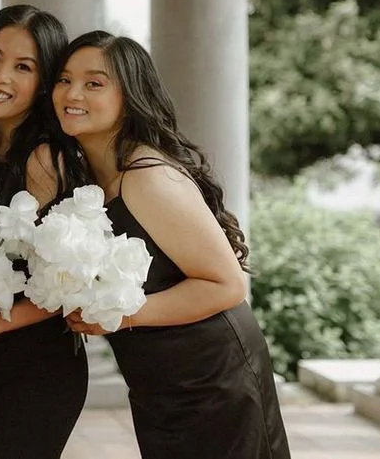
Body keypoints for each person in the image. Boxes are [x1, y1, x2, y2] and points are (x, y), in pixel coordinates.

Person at [55, 30, 290, 459]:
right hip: (159, 381)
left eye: (94, 83)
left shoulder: (146, 175)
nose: (73, 93)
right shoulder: (90, 179)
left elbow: (227, 285)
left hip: (212, 377)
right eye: (64, 79)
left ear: (129, 96)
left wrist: (116, 316)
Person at [0, 5, 90, 459]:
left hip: (35, 365)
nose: (1, 75)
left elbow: (69, 282)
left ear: (45, 82)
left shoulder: (47, 159)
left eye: (23, 67)